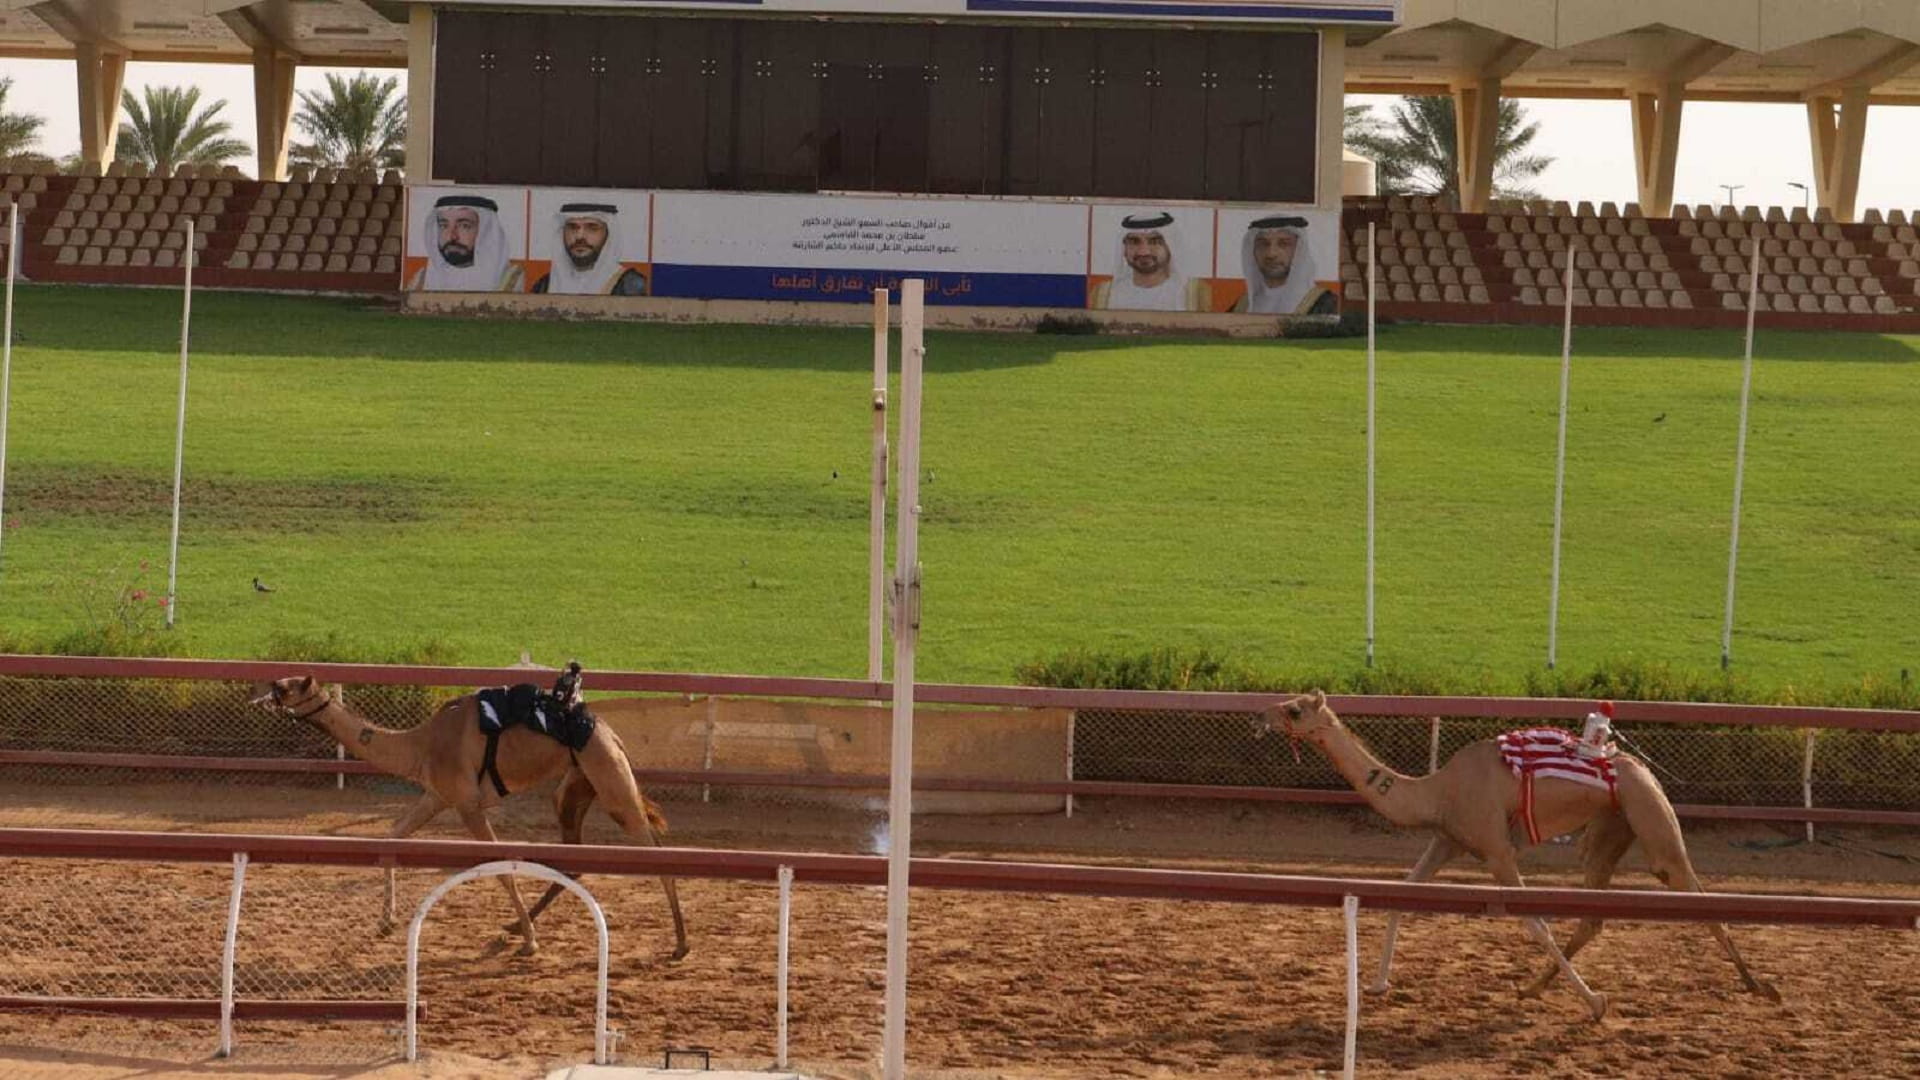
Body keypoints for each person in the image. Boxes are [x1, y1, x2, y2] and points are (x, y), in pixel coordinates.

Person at [1089, 211, 1209, 312]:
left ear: (1171, 246)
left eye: (1155, 241)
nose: (1144, 252)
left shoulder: (1195, 293)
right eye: (1134, 242)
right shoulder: (1102, 294)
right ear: (1124, 248)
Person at [406, 193, 522, 291]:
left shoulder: (508, 279)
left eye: (464, 226)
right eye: (444, 225)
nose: (452, 236)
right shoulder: (421, 280)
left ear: (485, 232)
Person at [531, 202, 648, 296]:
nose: (579, 237)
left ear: (609, 235)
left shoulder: (629, 284)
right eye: (572, 227)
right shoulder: (544, 285)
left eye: (592, 228)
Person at [1232, 214, 1336, 315]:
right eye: (1263, 244)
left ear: (1299, 251)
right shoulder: (1243, 306)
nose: (1271, 253)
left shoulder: (1324, 303)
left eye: (1284, 244)